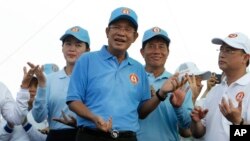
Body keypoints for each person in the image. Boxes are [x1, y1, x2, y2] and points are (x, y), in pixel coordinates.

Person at [66, 7, 185, 141]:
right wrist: (94, 118)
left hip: (127, 137)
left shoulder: (138, 68)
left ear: (134, 37)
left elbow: (142, 112)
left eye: (128, 29)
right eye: (116, 27)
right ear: (107, 31)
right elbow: (73, 101)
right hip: (91, 135)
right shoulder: (86, 60)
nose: (121, 33)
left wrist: (161, 93)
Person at [32, 25, 90, 141]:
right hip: (56, 137)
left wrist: (80, 122)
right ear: (62, 48)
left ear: (87, 50)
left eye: (78, 45)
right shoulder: (50, 80)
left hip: (86, 136)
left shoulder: (93, 79)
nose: (72, 49)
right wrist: (42, 86)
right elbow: (38, 118)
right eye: (68, 43)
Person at [190, 32, 250, 141]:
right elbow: (198, 133)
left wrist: (238, 122)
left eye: (228, 50)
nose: (222, 54)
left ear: (245, 58)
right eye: (221, 49)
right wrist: (196, 121)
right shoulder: (214, 91)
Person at [137, 27, 193, 141]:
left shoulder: (179, 83)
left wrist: (178, 107)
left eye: (161, 46)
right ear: (142, 52)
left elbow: (187, 125)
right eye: (151, 46)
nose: (157, 51)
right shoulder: (133, 78)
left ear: (168, 52)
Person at [0, 63, 47, 141]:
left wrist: (26, 124)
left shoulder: (45, 115)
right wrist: (9, 126)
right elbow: (1, 138)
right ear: (23, 88)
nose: (32, 90)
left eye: (36, 86)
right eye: (29, 86)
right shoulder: (11, 111)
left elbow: (45, 139)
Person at [174, 62, 211, 141]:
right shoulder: (171, 102)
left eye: (200, 80)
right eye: (196, 79)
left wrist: (194, 99)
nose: (200, 84)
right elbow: (186, 133)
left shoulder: (196, 103)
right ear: (183, 80)